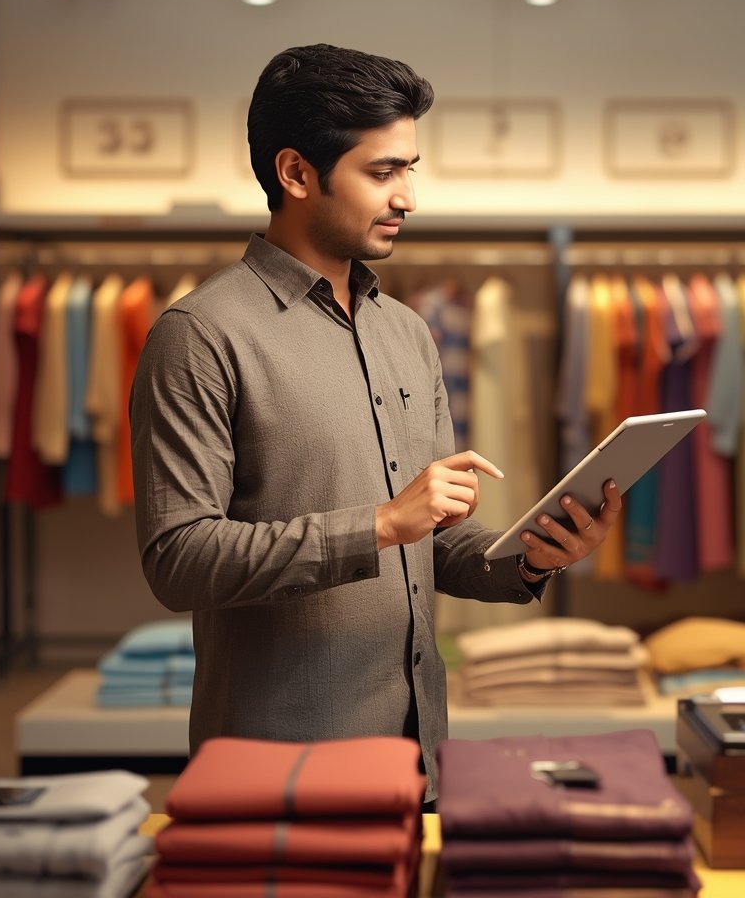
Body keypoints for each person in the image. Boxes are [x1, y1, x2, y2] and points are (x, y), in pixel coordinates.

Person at [129, 43, 621, 803]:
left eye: (410, 170)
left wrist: (532, 552)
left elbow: (433, 541)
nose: (408, 198)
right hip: (278, 775)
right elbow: (178, 557)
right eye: (382, 172)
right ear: (296, 173)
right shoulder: (200, 334)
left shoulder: (405, 332)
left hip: (418, 758)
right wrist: (382, 524)